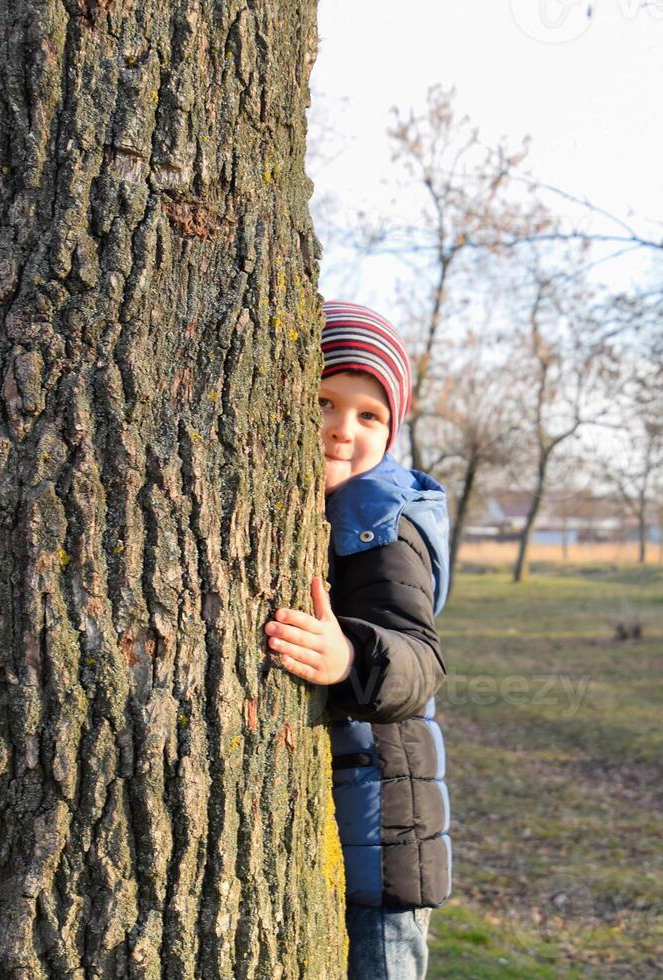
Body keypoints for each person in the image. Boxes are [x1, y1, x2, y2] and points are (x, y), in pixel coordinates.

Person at [262, 299, 452, 979]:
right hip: (349, 826)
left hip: (386, 841)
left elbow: (420, 661)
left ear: (392, 429)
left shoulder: (383, 519)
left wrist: (350, 656)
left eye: (370, 415)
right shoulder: (327, 505)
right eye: (325, 402)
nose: (343, 429)